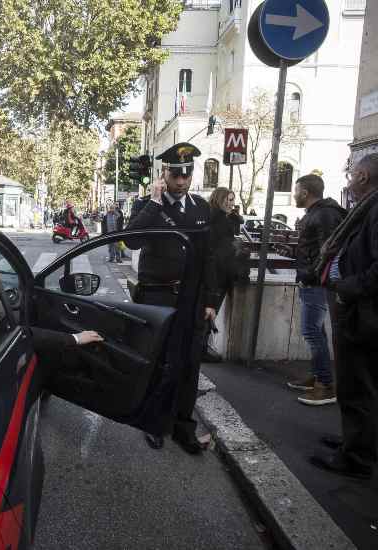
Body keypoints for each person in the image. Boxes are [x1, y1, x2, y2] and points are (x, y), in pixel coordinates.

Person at [124, 142, 218, 454]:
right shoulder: (147, 207)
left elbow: (210, 259)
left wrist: (210, 302)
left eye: (186, 174)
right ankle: (153, 423)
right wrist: (153, 203)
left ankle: (183, 426)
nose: (181, 181)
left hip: (191, 298)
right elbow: (131, 241)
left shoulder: (202, 209)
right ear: (164, 174)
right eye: (175, 175)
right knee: (159, 362)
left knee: (189, 364)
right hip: (157, 295)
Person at [310, 153, 378, 479]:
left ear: (363, 177)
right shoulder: (374, 205)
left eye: (352, 174)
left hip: (363, 312)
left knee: (360, 386)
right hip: (357, 310)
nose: (348, 180)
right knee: (356, 383)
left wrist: (346, 288)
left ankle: (357, 459)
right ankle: (354, 441)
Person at [286, 174, 346, 405]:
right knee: (315, 332)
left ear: (306, 192)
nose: (294, 194)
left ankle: (325, 385)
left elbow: (327, 252)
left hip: (317, 284)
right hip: (313, 282)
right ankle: (319, 376)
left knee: (312, 332)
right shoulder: (318, 213)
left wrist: (309, 275)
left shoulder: (324, 214)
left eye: (296, 189)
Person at [202, 187, 240, 363]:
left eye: (233, 200)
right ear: (219, 200)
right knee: (209, 311)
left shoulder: (221, 218)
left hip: (218, 270)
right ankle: (201, 348)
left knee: (210, 310)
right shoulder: (218, 220)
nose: (231, 204)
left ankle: (202, 346)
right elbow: (219, 247)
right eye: (228, 200)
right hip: (217, 271)